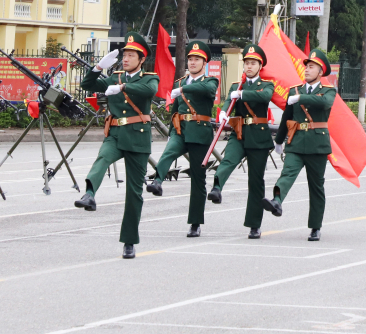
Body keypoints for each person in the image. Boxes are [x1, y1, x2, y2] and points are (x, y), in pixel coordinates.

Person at [75, 32, 159, 259]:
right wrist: (98, 68)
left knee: (134, 192)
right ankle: (89, 194)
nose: (126, 58)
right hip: (115, 134)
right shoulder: (115, 77)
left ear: (142, 59)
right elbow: (87, 85)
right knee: (102, 158)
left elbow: (149, 91)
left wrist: (123, 89)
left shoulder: (149, 77)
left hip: (138, 138)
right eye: (125, 55)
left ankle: (129, 241)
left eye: (131, 55)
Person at [146, 41, 219, 237]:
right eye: (190, 59)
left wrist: (185, 90)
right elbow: (176, 111)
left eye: (197, 59)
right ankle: (158, 182)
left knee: (198, 179)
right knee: (169, 151)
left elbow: (206, 91)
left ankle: (195, 223)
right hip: (181, 130)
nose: (193, 62)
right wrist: (172, 131)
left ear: (204, 62)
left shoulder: (211, 81)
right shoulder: (180, 82)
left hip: (200, 134)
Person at [262, 49, 335, 241]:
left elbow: (325, 104)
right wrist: (278, 140)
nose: (307, 70)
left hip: (318, 145)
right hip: (295, 142)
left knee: (316, 187)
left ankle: (315, 227)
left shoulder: (328, 91)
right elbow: (287, 116)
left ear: (321, 72)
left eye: (312, 67)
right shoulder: (294, 90)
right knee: (286, 175)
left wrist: (301, 98)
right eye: (306, 66)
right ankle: (277, 200)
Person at [208, 44, 275, 239]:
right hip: (239, 133)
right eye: (246, 62)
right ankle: (217, 188)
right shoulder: (236, 85)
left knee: (255, 182)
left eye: (253, 63)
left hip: (259, 137)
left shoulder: (266, 85)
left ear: (259, 66)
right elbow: (229, 100)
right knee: (228, 160)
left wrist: (243, 95)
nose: (249, 66)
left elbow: (265, 97)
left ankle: (254, 224)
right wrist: (222, 111)